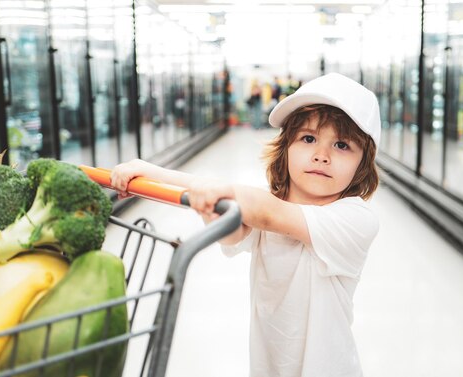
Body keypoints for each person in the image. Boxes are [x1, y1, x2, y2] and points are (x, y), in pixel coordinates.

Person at [110, 72, 381, 377]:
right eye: (308, 138)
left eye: (342, 145)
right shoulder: (262, 206)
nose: (321, 156)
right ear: (286, 148)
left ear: (362, 164)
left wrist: (222, 193)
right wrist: (150, 173)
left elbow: (267, 213)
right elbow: (237, 230)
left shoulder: (355, 219)